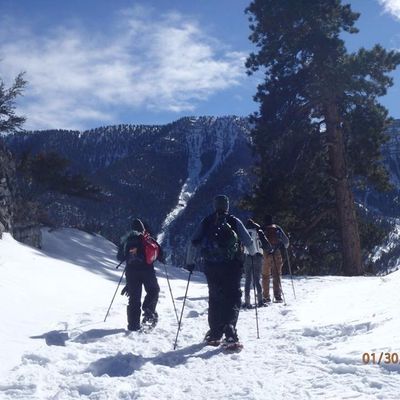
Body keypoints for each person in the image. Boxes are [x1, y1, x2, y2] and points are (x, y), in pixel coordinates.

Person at [186, 195, 256, 347]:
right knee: (233, 296)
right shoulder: (234, 221)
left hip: (211, 266)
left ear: (215, 206)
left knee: (215, 297)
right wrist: (253, 254)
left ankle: (214, 333)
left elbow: (193, 242)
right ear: (227, 206)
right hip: (232, 266)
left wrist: (190, 262)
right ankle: (230, 329)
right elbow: (249, 243)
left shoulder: (207, 221)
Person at [117, 218, 164, 331]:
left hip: (131, 272)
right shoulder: (148, 238)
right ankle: (148, 309)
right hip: (147, 271)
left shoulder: (127, 239)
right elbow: (160, 254)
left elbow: (119, 257)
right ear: (143, 228)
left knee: (134, 299)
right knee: (153, 290)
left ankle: (133, 326)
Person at [242, 219, 271, 308]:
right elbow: (264, 243)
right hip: (257, 256)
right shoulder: (258, 232)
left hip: (247, 256)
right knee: (257, 279)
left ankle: (247, 302)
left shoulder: (244, 233)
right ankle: (260, 301)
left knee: (247, 280)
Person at [261, 214, 289, 303]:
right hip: (276, 252)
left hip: (265, 253)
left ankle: (266, 297)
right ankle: (277, 296)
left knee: (265, 275)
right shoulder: (277, 228)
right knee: (277, 275)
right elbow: (286, 241)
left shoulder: (262, 229)